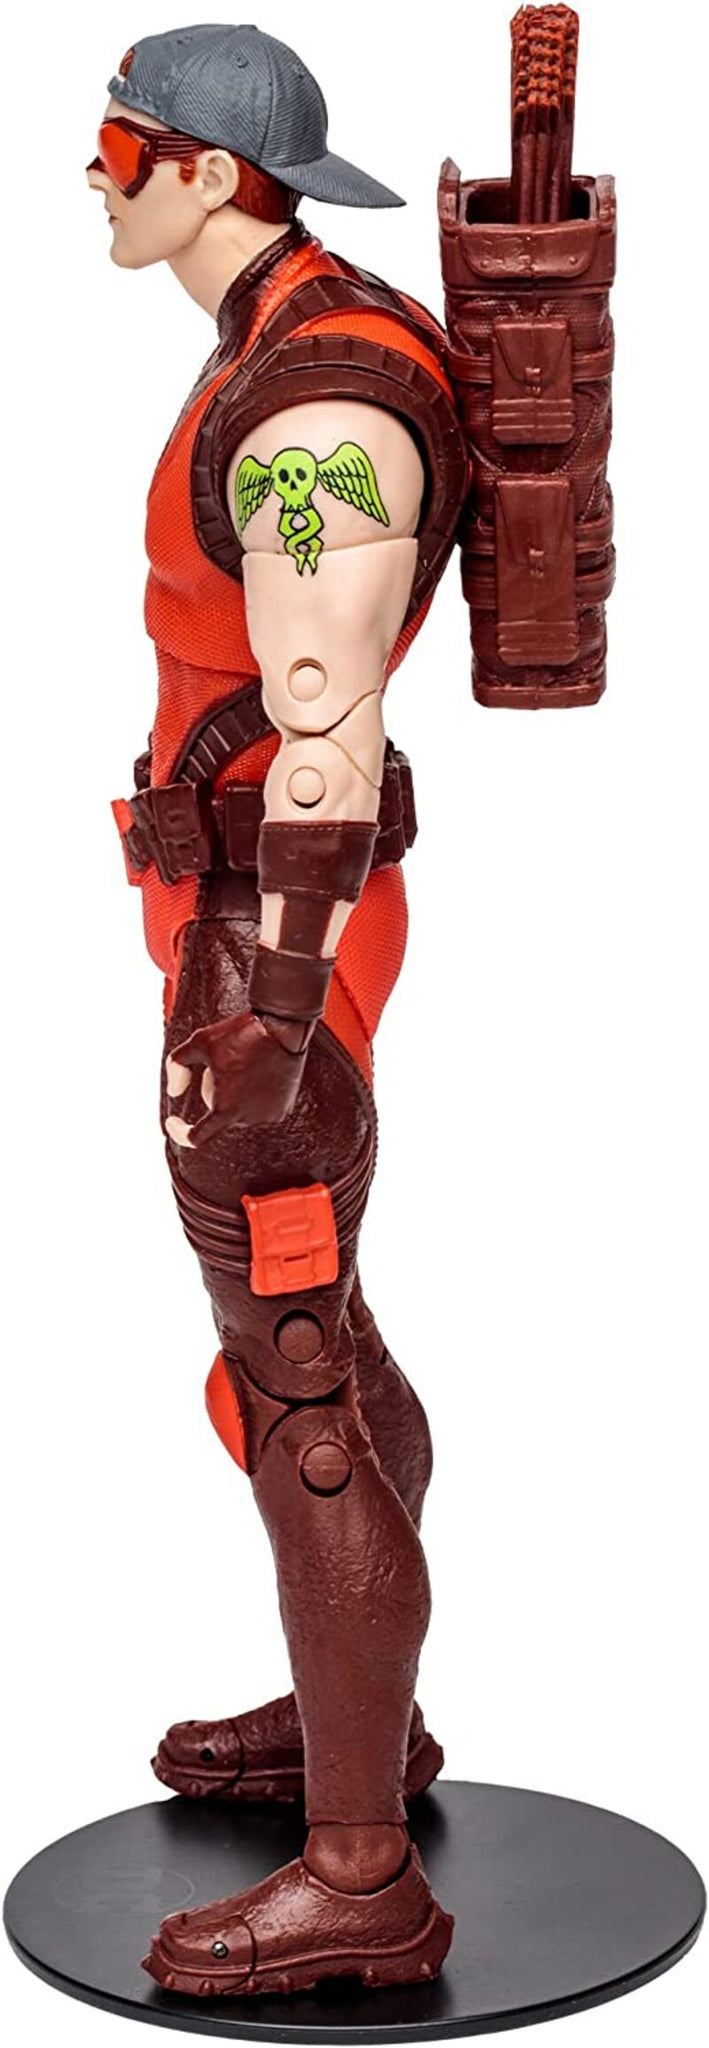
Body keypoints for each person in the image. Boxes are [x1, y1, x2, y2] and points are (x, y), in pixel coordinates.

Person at [89, 22, 469, 1997]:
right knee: (322, 1336)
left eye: (118, 145)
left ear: (212, 174)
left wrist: (266, 1027)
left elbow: (322, 734)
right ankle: (362, 1729)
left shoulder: (312, 409)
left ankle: (360, 1877)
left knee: (297, 1380)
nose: (94, 179)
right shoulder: (290, 338)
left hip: (271, 951)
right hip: (246, 928)